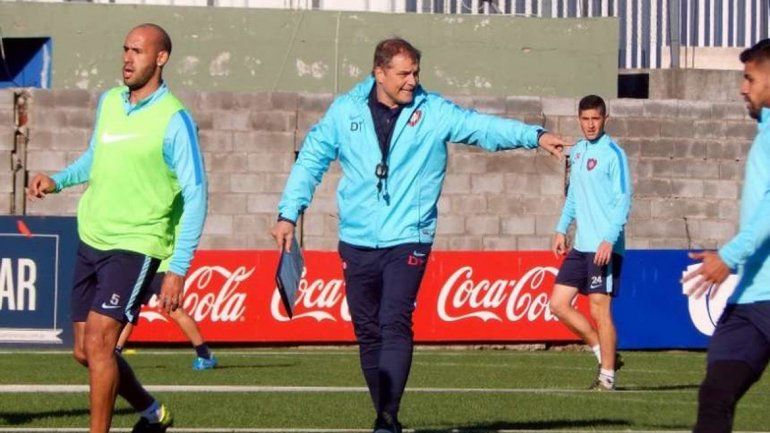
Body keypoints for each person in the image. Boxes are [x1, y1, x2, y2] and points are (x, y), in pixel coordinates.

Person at [270, 37, 566, 433]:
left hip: (410, 236)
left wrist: (535, 136)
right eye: (403, 74)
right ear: (379, 73)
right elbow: (310, 159)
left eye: (416, 73)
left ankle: (387, 417)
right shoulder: (345, 111)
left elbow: (482, 127)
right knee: (367, 330)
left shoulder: (434, 111)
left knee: (394, 321)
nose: (412, 81)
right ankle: (385, 414)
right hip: (356, 239)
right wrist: (289, 213)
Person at [27, 23, 207, 433]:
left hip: (136, 243)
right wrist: (58, 180)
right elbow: (95, 158)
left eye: (138, 51)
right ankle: (152, 413)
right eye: (125, 49)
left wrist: (178, 268)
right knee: (83, 351)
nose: (128, 59)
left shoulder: (174, 119)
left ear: (161, 58)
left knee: (100, 344)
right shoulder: (109, 101)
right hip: (92, 236)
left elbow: (197, 195)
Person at [683, 38, 770, 433]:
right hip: (753, 299)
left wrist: (728, 255)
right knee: (716, 393)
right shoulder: (764, 134)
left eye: (750, 79)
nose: (742, 88)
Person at [549, 95, 632, 391]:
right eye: (585, 119)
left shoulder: (614, 154)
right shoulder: (580, 151)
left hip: (603, 247)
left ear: (605, 119)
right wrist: (561, 229)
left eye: (595, 118)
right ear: (579, 120)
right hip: (580, 245)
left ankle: (607, 378)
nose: (590, 124)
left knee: (599, 309)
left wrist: (609, 239)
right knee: (557, 305)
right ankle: (603, 351)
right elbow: (573, 196)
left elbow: (624, 200)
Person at [116, 257, 217, 371]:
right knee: (128, 311)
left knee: (174, 310)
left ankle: (204, 355)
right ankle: (115, 355)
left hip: (158, 266)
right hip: (139, 266)